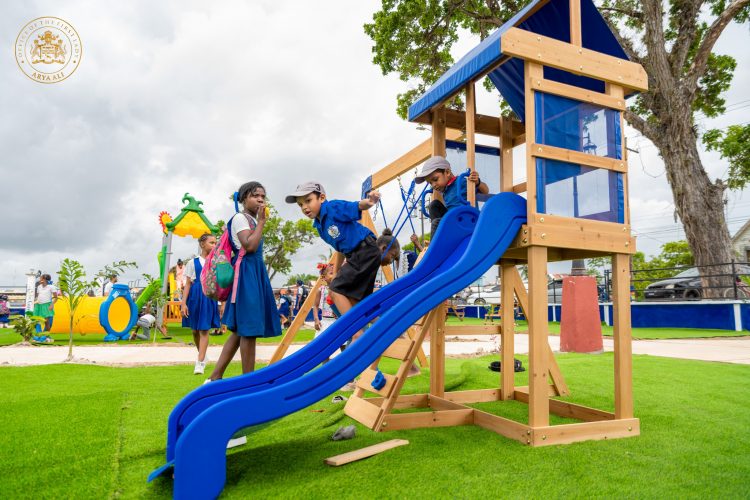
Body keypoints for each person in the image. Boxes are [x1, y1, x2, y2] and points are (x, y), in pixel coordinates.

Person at [285, 181, 400, 337]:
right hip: (358, 255)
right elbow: (340, 249)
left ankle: (356, 333)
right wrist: (336, 272)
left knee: (335, 291)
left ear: (322, 198)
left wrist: (370, 201)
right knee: (354, 301)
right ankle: (385, 327)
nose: (304, 207)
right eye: (300, 205)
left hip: (364, 250)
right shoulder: (320, 226)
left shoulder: (332, 208)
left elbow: (355, 206)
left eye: (308, 200)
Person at [206, 181, 281, 382]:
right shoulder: (240, 218)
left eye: (263, 197)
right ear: (243, 198)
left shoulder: (252, 220)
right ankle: (249, 382)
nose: (260, 199)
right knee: (248, 329)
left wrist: (260, 223)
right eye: (255, 195)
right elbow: (249, 246)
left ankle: (215, 377)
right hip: (246, 274)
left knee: (240, 331)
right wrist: (263, 222)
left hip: (254, 273)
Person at [415, 156, 489, 235]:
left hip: (466, 220)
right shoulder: (445, 190)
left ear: (447, 172)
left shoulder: (461, 181)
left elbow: (485, 191)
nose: (433, 185)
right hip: (453, 220)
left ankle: (436, 245)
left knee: (437, 223)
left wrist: (478, 182)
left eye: (435, 179)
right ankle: (441, 236)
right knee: (434, 204)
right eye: (430, 183)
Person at [181, 233, 221, 375]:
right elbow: (187, 284)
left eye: (216, 243)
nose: (214, 245)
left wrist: (221, 302)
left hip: (209, 296)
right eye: (212, 242)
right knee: (194, 330)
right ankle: (203, 354)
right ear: (202, 244)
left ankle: (200, 362)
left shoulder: (216, 262)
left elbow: (219, 283)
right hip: (195, 297)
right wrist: (183, 303)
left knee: (204, 329)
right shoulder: (193, 263)